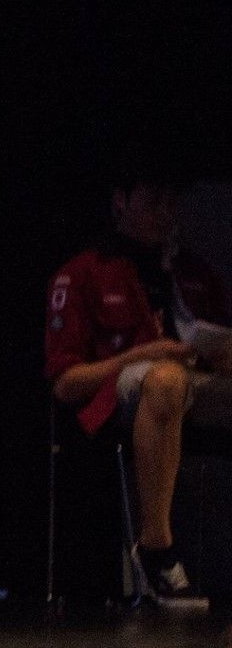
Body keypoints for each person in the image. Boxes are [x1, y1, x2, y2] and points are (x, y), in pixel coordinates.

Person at [46, 172, 232, 597]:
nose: (166, 214)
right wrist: (142, 355)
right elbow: (65, 384)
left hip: (194, 382)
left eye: (172, 203)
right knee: (166, 380)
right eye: (154, 202)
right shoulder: (82, 273)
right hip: (118, 392)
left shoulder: (192, 271)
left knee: (177, 378)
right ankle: (156, 548)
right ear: (121, 202)